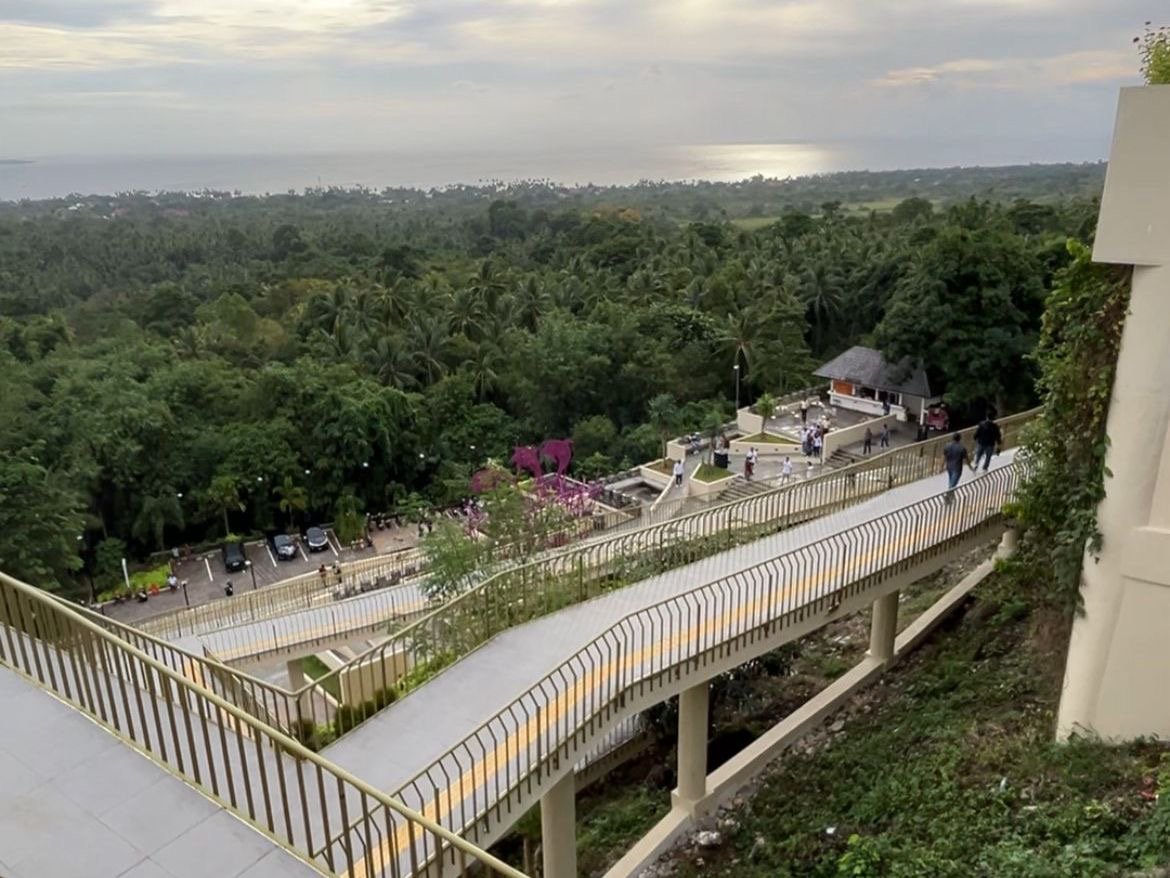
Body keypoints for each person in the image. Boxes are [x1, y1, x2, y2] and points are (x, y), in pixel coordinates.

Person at [943, 432, 971, 503]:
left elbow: (944, 457)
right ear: (960, 439)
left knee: (951, 481)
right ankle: (948, 495)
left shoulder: (947, 446)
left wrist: (942, 466)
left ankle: (951, 496)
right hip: (957, 468)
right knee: (953, 483)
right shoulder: (962, 448)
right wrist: (970, 467)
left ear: (952, 438)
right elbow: (966, 459)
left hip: (949, 467)